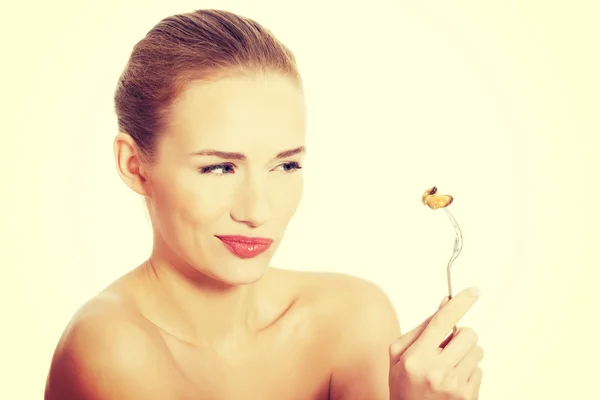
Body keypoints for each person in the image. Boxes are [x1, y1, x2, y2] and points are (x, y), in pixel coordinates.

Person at [44, 9, 484, 400]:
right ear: (136, 166)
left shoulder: (352, 318)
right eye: (219, 168)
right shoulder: (110, 350)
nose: (258, 211)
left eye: (286, 165)